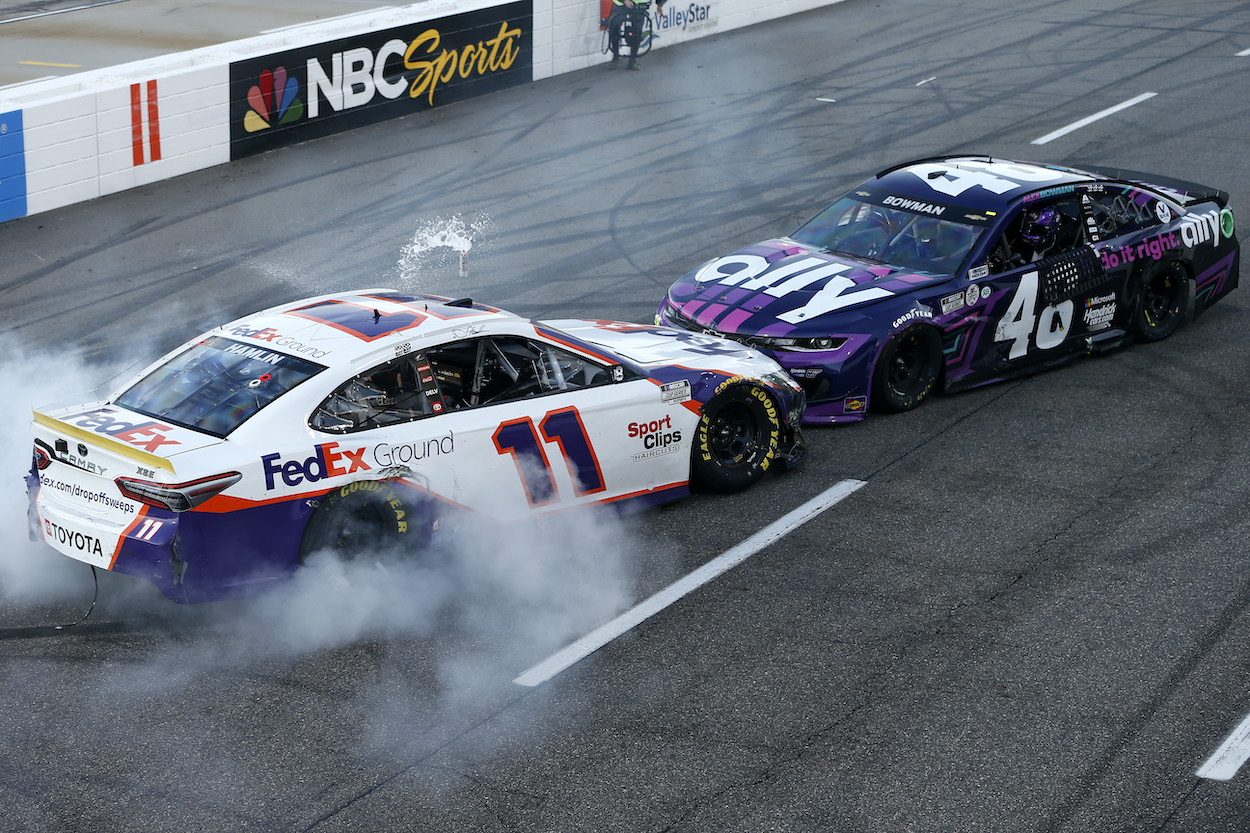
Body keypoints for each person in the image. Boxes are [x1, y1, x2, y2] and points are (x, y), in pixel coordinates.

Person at [607, 0, 660, 69]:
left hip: (639, 3)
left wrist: (660, 3)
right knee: (614, 26)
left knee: (637, 31)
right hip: (621, 3)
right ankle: (616, 55)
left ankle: (632, 60)